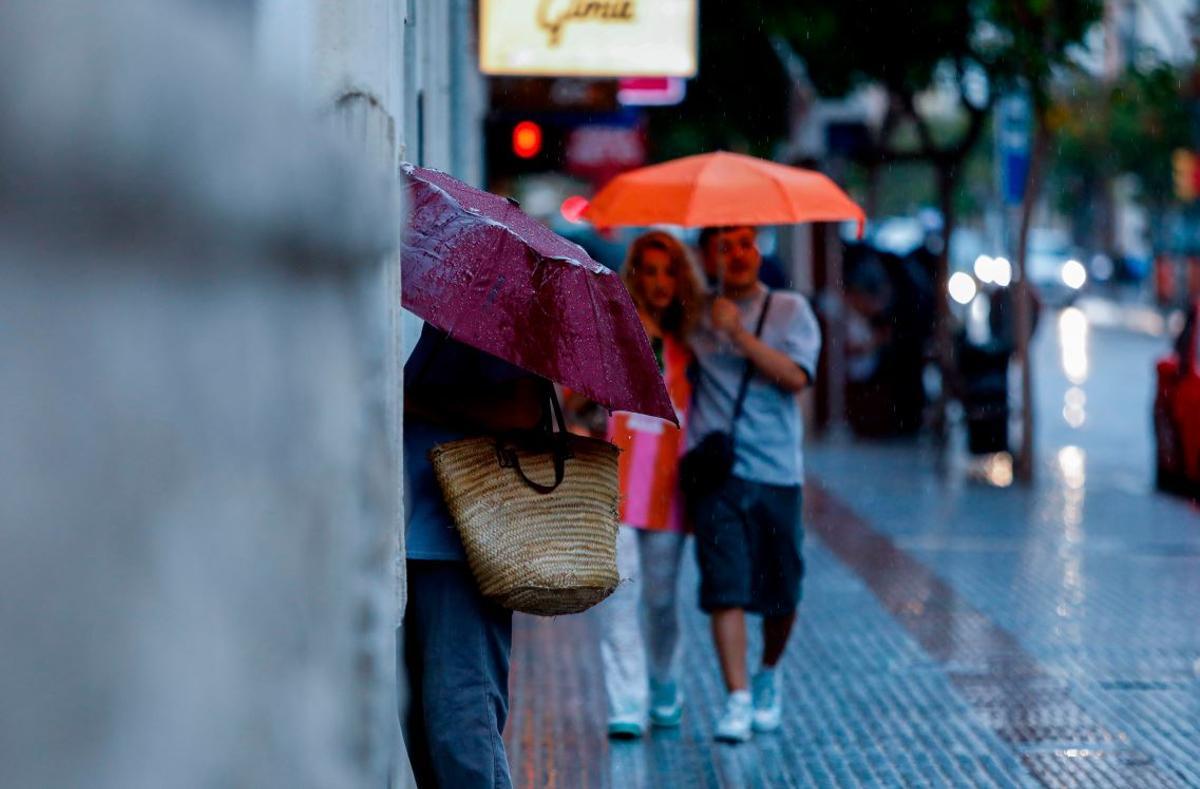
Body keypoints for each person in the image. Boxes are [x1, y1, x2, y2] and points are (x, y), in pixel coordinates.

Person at [687, 225, 821, 743]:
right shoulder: (695, 314)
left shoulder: (791, 310)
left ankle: (767, 673)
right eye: (725, 245)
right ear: (706, 255)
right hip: (718, 475)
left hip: (777, 472)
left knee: (783, 594)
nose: (738, 254)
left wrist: (739, 336)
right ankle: (737, 699)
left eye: (746, 242)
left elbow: (795, 378)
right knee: (727, 587)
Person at [401, 324, 544, 788]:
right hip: (419, 538)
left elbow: (523, 409)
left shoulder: (490, 314)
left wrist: (414, 400)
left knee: (461, 722)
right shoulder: (435, 318)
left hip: (462, 543)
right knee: (429, 732)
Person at [589, 231, 704, 738]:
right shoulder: (617, 335)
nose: (660, 282)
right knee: (620, 596)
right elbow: (578, 397)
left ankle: (663, 683)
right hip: (616, 484)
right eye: (650, 270)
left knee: (660, 599)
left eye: (669, 271)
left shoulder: (692, 343)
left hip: (671, 489)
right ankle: (625, 702)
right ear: (636, 275)